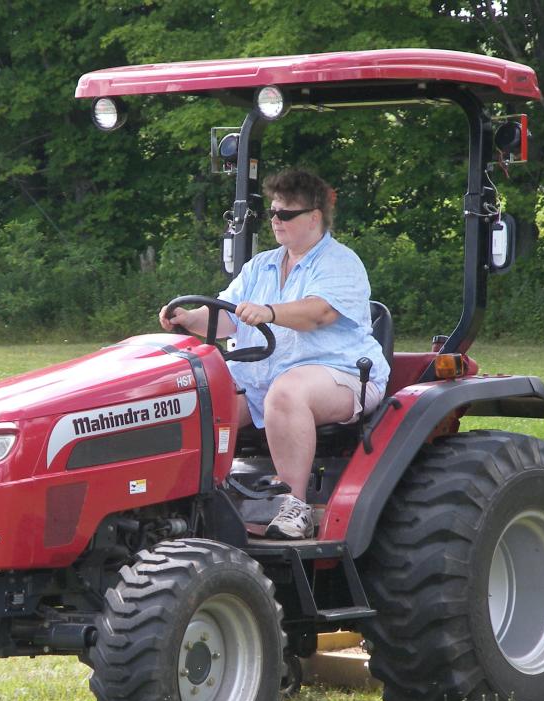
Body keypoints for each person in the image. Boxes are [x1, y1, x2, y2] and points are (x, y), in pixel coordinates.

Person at [160, 169, 389, 539]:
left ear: (314, 217)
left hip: (340, 375)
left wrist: (270, 311)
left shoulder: (340, 263)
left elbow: (320, 313)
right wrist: (189, 318)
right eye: (272, 212)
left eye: (285, 214)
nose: (276, 221)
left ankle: (294, 506)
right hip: (260, 382)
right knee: (196, 400)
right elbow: (226, 318)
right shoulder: (261, 265)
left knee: (287, 391)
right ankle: (187, 501)